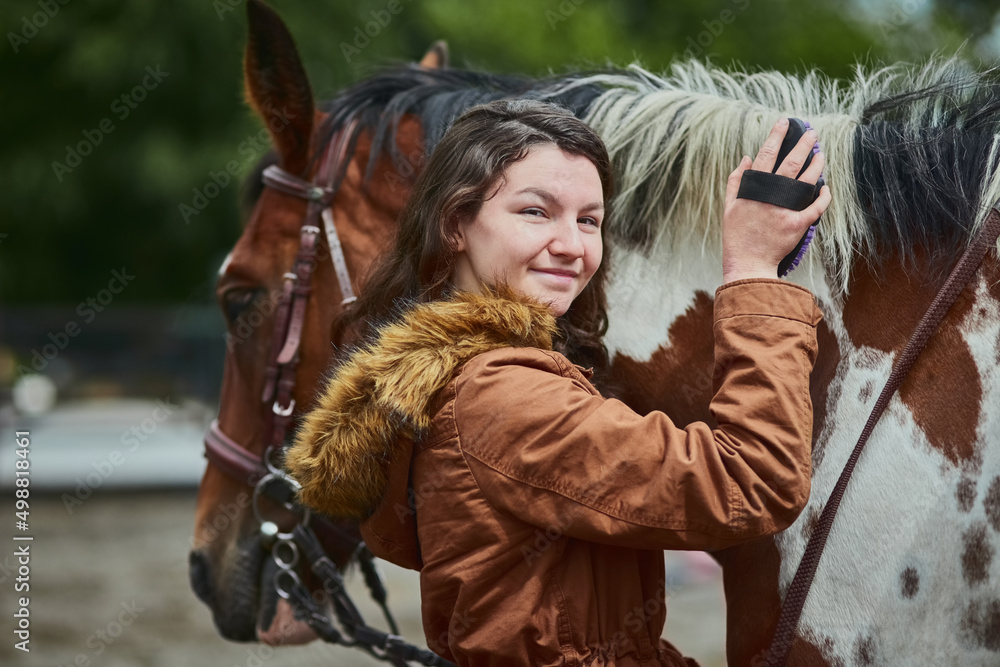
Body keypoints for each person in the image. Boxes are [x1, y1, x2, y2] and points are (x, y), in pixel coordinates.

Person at [283, 99, 830, 666]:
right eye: (536, 213)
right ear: (454, 225)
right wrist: (752, 272)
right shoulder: (500, 396)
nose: (573, 246)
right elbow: (749, 482)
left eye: (588, 220)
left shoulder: (471, 377)